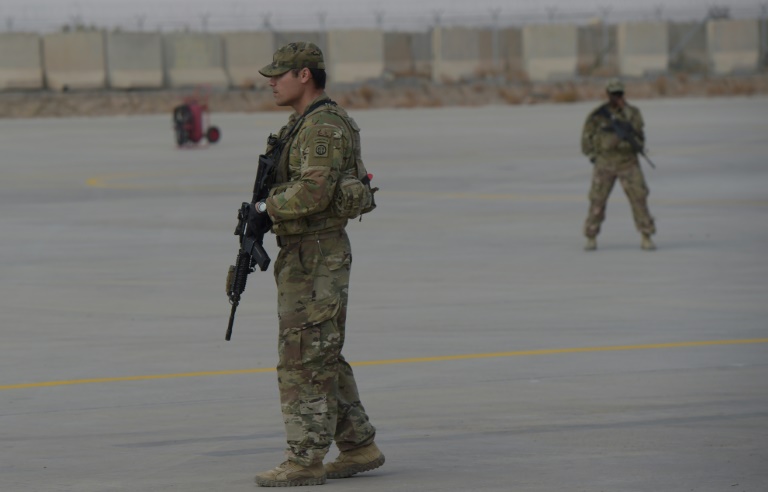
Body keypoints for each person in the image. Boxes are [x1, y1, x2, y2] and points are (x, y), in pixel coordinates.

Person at [251, 42, 384, 487]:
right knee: (321, 350)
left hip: (317, 253)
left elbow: (314, 192)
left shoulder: (322, 126)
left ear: (304, 75)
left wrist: (265, 207)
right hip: (305, 251)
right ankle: (357, 444)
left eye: (280, 74)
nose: (272, 82)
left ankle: (304, 459)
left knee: (302, 357)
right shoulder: (302, 123)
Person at [581, 78, 656, 251]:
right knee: (597, 201)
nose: (616, 96)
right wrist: (594, 157)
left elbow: (640, 136)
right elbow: (586, 139)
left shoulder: (633, 113)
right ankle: (591, 236)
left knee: (639, 199)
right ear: (607, 94)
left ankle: (646, 235)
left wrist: (633, 143)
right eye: (613, 93)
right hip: (605, 164)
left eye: (619, 93)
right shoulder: (598, 115)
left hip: (628, 163)